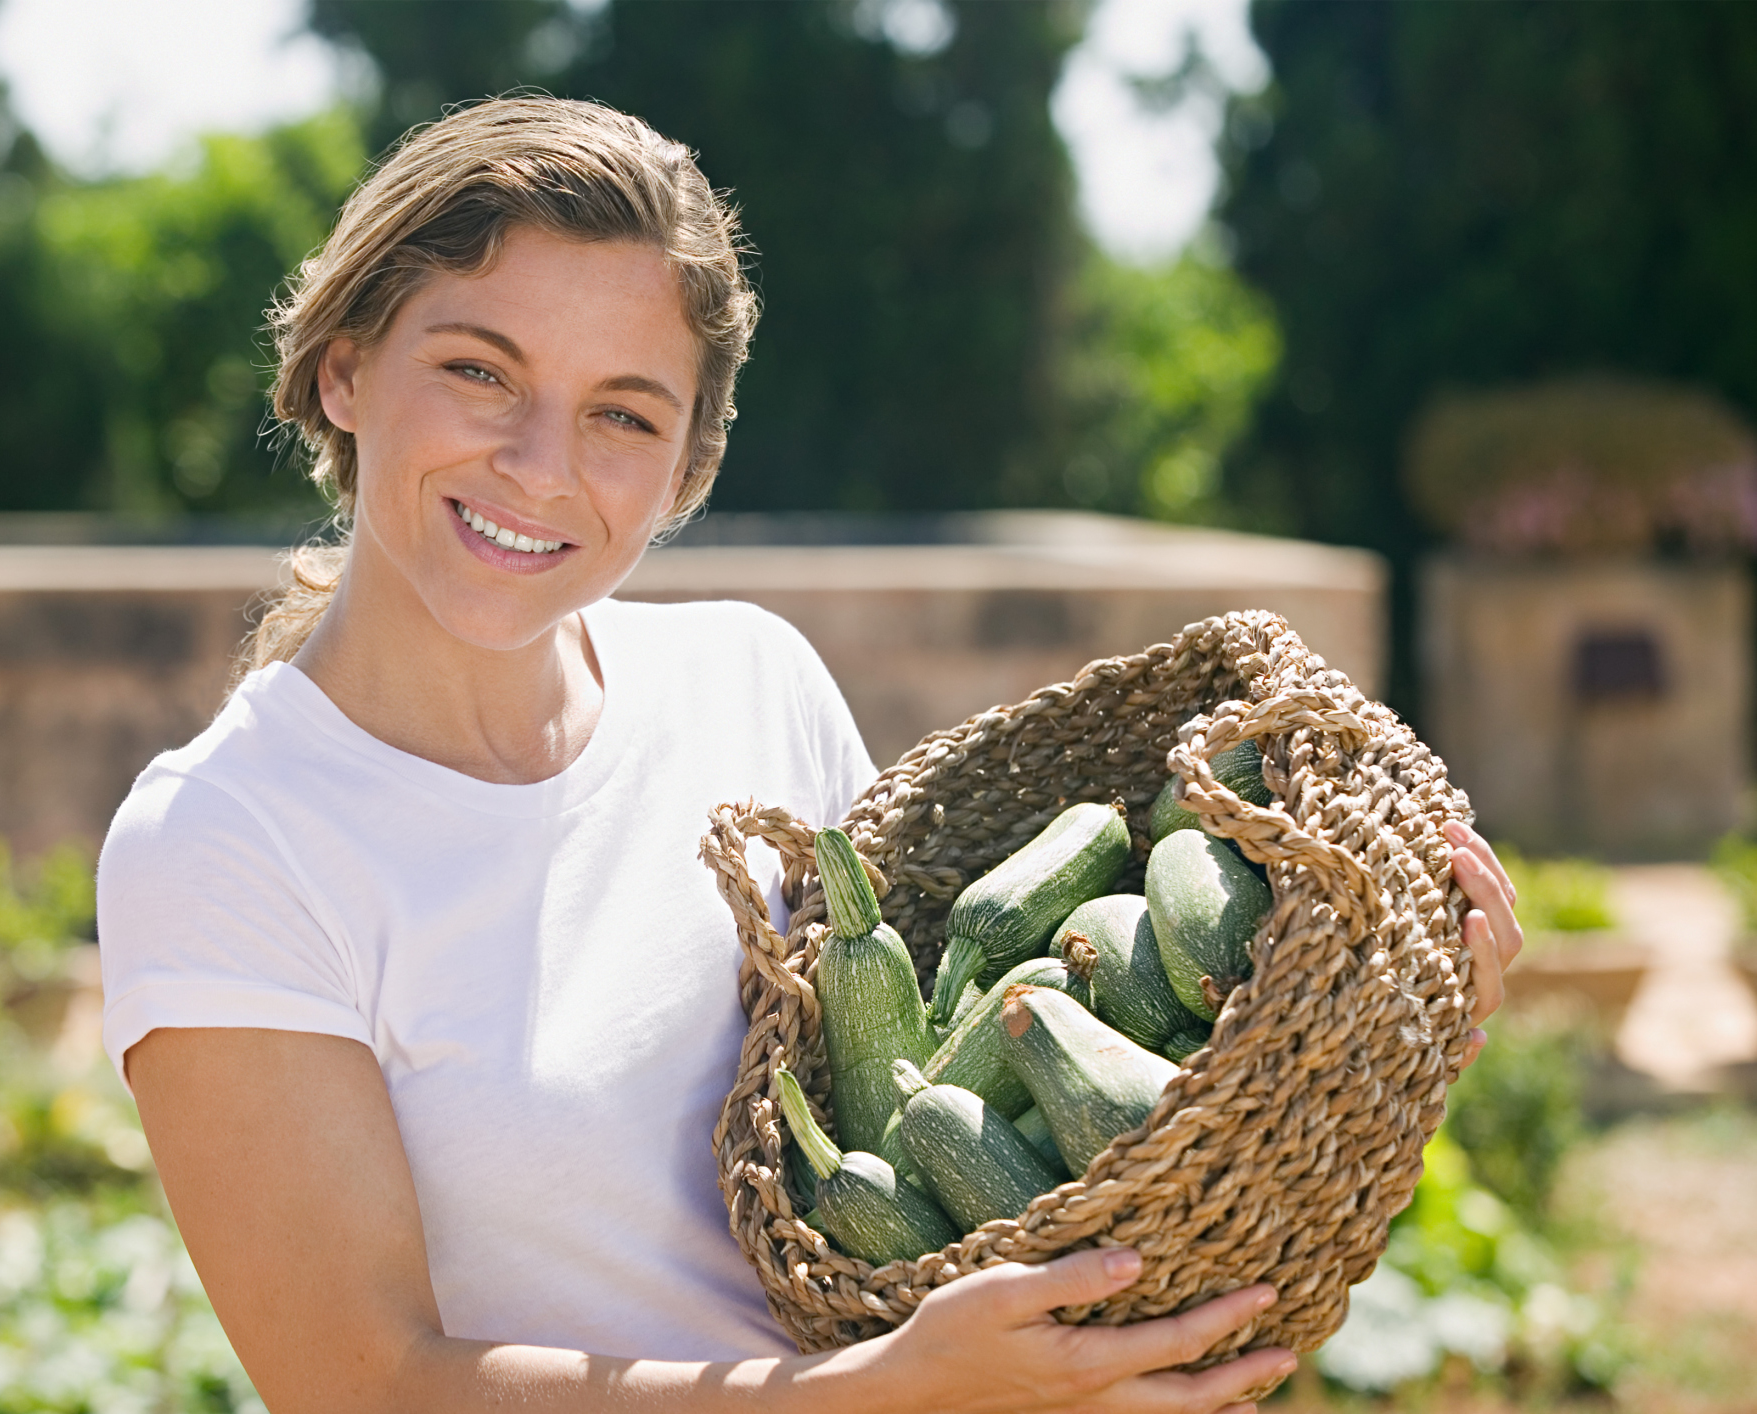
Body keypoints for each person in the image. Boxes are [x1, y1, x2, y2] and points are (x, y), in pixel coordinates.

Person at [97, 96, 1524, 1414]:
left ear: (687, 466)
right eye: (480, 371)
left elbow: (926, 1112)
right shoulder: (230, 840)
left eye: (622, 414)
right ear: (345, 369)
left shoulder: (749, 679)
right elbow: (363, 1381)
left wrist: (1361, 1016)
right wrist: (877, 1392)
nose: (541, 464)